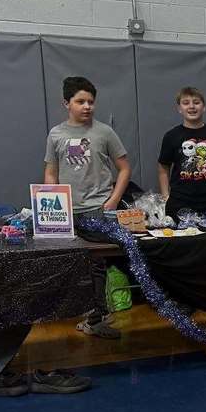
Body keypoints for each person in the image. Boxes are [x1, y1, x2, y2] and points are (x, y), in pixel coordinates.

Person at [44, 76, 131, 339]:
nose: (87, 106)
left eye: (91, 102)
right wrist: (53, 202)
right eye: (80, 101)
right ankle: (77, 315)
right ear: (66, 103)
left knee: (97, 265)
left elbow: (124, 168)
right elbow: (51, 172)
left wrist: (112, 201)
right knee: (71, 266)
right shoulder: (56, 134)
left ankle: (97, 318)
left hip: (97, 210)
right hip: (67, 212)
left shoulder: (104, 132)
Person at [157, 86, 206, 219]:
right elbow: (163, 167)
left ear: (204, 107)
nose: (191, 106)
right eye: (186, 103)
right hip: (180, 203)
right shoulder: (171, 136)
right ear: (179, 108)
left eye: (196, 102)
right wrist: (165, 196)